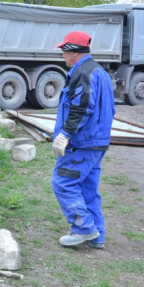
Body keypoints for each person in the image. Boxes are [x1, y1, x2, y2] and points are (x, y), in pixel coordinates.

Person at [51, 31, 115, 248]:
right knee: (87, 189)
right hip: (97, 142)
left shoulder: (83, 72)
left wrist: (65, 134)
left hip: (83, 143)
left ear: (74, 52)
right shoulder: (100, 72)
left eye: (64, 51)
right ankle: (97, 237)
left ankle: (83, 228)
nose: (62, 56)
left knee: (63, 182)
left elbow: (81, 108)